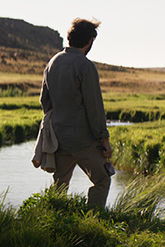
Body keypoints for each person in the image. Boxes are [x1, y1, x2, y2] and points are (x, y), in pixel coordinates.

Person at [39, 18, 112, 208]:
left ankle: (53, 218)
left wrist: (57, 123)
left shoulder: (53, 62)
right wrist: (104, 139)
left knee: (60, 184)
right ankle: (93, 221)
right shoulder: (86, 66)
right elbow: (94, 107)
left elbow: (44, 101)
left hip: (59, 138)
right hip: (83, 140)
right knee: (102, 180)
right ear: (90, 41)